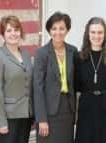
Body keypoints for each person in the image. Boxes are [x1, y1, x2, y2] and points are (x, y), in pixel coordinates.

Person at [75, 17, 106, 143]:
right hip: (86, 110)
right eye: (93, 32)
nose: (97, 36)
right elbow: (77, 90)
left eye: (100, 32)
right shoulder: (79, 57)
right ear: (87, 34)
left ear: (105, 34)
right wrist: (75, 116)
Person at [0, 15, 33, 143]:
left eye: (16, 30)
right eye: (9, 30)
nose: (13, 33)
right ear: (3, 34)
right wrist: (1, 122)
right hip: (6, 118)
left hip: (25, 116)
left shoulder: (26, 56)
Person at [33, 11, 77, 143]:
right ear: (49, 30)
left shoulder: (73, 51)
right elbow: (38, 87)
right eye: (54, 28)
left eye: (62, 28)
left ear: (67, 30)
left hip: (67, 109)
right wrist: (41, 119)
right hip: (48, 111)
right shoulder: (41, 53)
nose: (58, 32)